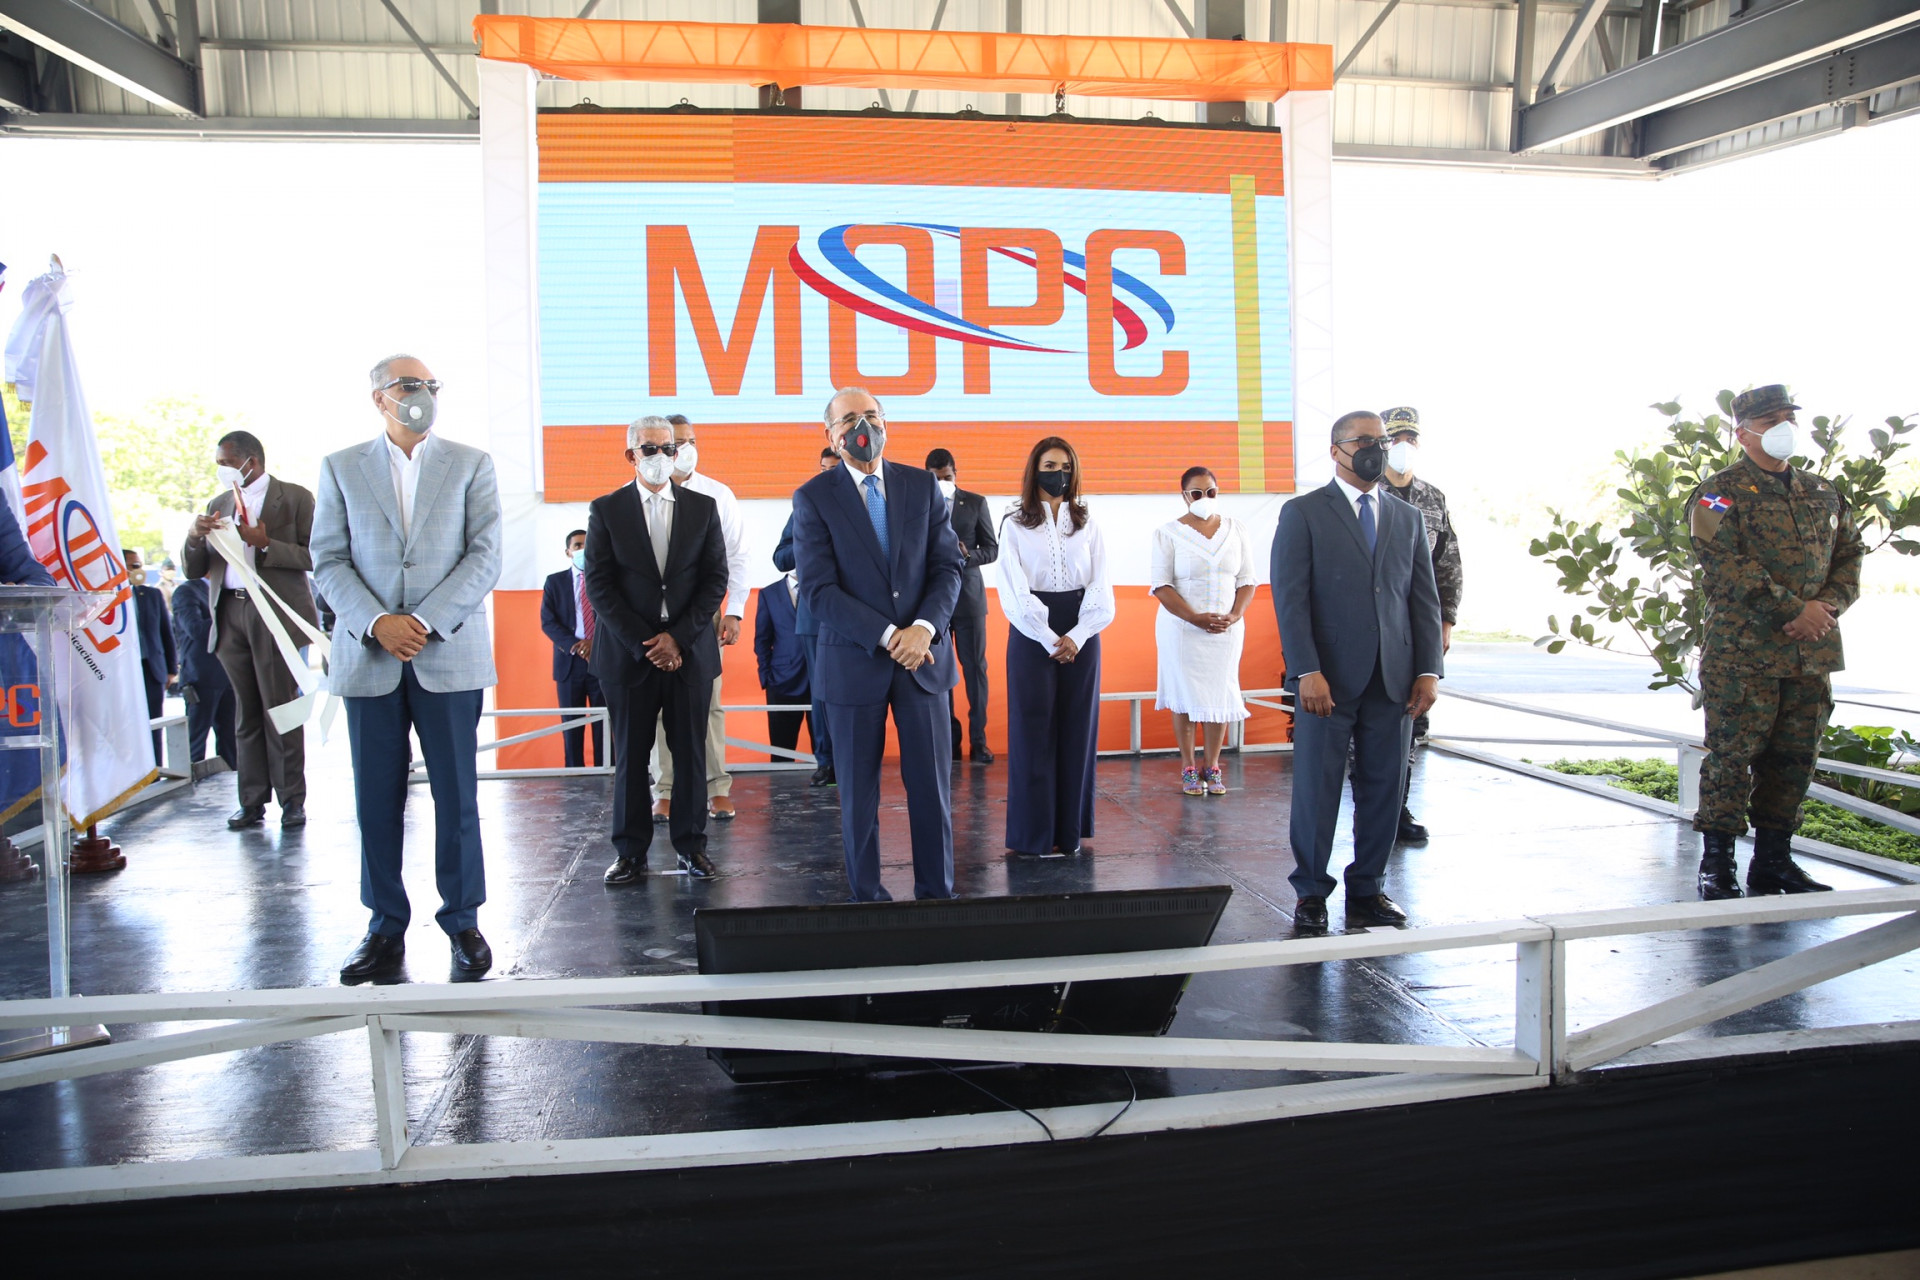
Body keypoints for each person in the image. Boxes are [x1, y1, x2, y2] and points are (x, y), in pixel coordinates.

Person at [313, 354, 503, 983]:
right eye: (409, 385)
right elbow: (328, 560)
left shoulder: (471, 463)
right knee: (374, 801)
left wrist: (421, 621)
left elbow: (484, 556)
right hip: (369, 655)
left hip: (447, 652)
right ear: (379, 397)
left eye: (430, 384)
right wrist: (377, 622)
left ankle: (463, 920)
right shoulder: (340, 467)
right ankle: (383, 926)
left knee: (458, 797)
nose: (423, 394)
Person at [1271, 411, 1443, 936]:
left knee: (1385, 789)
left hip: (1394, 681)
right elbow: (1291, 599)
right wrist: (1306, 670)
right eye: (1364, 441)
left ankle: (1368, 888)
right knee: (1317, 790)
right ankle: (1311, 892)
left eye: (1381, 441)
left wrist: (1429, 670)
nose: (1377, 450)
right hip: (1326, 682)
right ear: (1336, 450)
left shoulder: (1407, 518)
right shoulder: (1303, 513)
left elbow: (1423, 601)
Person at [1689, 384, 1864, 900]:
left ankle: (1773, 862)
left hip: (1810, 652)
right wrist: (1794, 611)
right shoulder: (1716, 494)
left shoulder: (1823, 491)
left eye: (1789, 417)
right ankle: (1717, 864)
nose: (1784, 427)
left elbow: (1850, 554)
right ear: (1743, 434)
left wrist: (1825, 608)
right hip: (1743, 655)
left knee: (1795, 758)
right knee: (1731, 758)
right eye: (1771, 421)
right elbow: (1722, 563)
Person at [791, 387, 964, 902]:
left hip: (923, 661)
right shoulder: (813, 498)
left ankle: (937, 899)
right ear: (831, 435)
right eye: (849, 419)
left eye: (871, 415)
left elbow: (947, 567)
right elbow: (818, 590)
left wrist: (924, 628)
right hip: (854, 664)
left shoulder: (922, 485)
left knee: (932, 790)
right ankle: (867, 902)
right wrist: (891, 637)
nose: (862, 427)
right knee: (858, 797)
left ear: (886, 422)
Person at [586, 415, 728, 885]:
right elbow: (600, 586)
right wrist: (645, 643)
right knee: (631, 756)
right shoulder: (606, 510)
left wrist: (678, 638)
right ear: (631, 455)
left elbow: (715, 580)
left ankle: (692, 847)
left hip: (688, 651)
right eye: (650, 448)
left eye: (669, 448)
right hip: (630, 654)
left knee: (690, 754)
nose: (662, 456)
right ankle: (630, 853)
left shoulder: (703, 508)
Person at [181, 430, 319, 831]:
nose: (221, 471)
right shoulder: (219, 504)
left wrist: (266, 544)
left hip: (274, 613)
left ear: (250, 461)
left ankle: (291, 800)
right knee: (245, 712)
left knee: (281, 708)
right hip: (230, 613)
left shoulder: (294, 498)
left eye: (226, 463)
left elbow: (317, 555)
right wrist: (194, 537)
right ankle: (252, 800)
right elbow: (194, 569)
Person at [997, 437, 1114, 857]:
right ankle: (1034, 835)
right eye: (1050, 465)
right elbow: (1012, 587)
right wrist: (1049, 637)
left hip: (1082, 630)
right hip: (1032, 632)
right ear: (1035, 469)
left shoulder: (1088, 521)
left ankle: (1070, 833)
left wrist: (1078, 635)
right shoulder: (1014, 522)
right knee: (1032, 732)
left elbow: (1101, 582)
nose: (1058, 474)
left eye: (1065, 466)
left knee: (1078, 730)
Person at [650, 413, 748, 823]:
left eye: (691, 440)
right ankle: (665, 790)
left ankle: (717, 788)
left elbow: (736, 556)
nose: (686, 449)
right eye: (678, 442)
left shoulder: (717, 494)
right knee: (658, 705)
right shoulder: (640, 494)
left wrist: (735, 611)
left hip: (705, 614)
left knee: (708, 702)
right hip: (654, 618)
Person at [1378, 406, 1462, 843]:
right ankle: (1373, 810)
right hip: (1376, 627)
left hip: (1419, 628)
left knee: (1413, 720)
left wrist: (1446, 620)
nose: (1402, 446)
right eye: (1394, 439)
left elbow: (1448, 564)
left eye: (1409, 438)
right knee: (1370, 727)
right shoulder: (1365, 493)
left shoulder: (1433, 498)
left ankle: (1399, 807)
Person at [1151, 467, 1256, 797]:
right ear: (1184, 496)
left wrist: (1235, 615)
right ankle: (1188, 766)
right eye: (1197, 493)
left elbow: (1247, 581)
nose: (1205, 498)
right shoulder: (1167, 533)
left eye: (1211, 492)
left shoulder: (1236, 529)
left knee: (1219, 694)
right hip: (1182, 629)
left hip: (1226, 630)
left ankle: (1212, 765)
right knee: (1185, 696)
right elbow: (1161, 586)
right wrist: (1194, 618)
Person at [772, 447, 843, 786]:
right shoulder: (806, 503)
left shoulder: (868, 502)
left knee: (858, 690)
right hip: (815, 616)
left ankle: (853, 759)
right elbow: (780, 557)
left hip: (863, 613)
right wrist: (811, 545)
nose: (828, 474)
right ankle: (826, 762)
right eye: (824, 469)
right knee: (821, 692)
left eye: (835, 468)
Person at [926, 448, 999, 764]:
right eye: (935, 478)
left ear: (956, 474)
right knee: (941, 673)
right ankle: (950, 741)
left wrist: (968, 554)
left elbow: (992, 549)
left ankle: (978, 741)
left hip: (969, 600)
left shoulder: (976, 502)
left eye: (947, 477)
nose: (942, 482)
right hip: (933, 602)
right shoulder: (919, 504)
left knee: (975, 670)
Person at [540, 529, 605, 769]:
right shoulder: (554, 582)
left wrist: (594, 643)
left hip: (602, 661)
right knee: (571, 724)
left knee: (604, 723)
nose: (583, 550)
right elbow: (548, 622)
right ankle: (574, 773)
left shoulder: (608, 582)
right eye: (577, 545)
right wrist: (576, 646)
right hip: (569, 663)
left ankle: (605, 772)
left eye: (588, 544)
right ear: (568, 552)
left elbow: (615, 619)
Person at [169, 569, 236, 769]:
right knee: (196, 738)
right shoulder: (187, 591)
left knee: (230, 738)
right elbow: (195, 629)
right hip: (201, 677)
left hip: (228, 674)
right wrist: (231, 618)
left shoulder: (227, 591)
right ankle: (191, 782)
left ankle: (231, 777)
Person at [124, 549, 176, 766]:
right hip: (124, 672)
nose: (139, 570)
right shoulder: (107, 597)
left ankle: (155, 770)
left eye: (139, 565)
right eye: (134, 566)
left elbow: (166, 632)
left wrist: (171, 669)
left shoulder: (151, 595)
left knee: (154, 723)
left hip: (152, 669)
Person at [754, 569, 810, 762]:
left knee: (826, 751)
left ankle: (828, 776)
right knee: (781, 752)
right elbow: (762, 640)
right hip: (781, 681)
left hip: (819, 679)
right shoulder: (769, 593)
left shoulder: (821, 588)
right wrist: (766, 678)